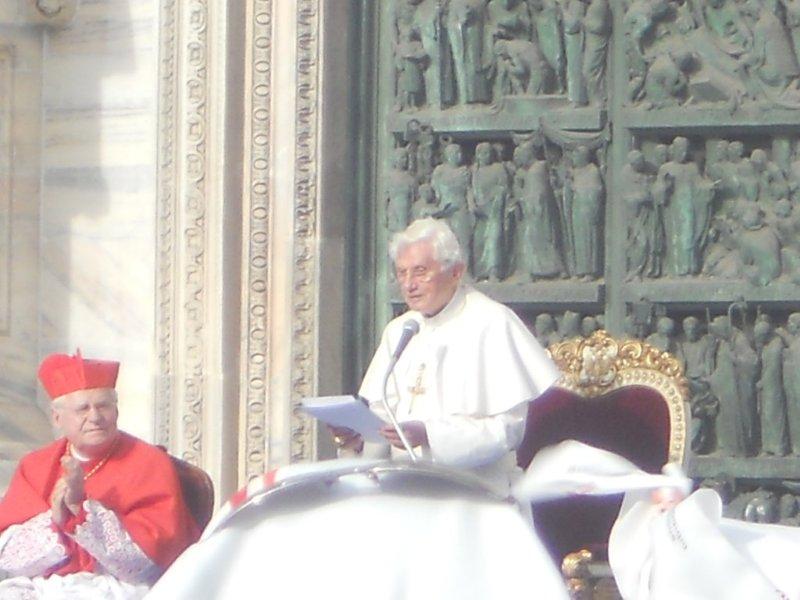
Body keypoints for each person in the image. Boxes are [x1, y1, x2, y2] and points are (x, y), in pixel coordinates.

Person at [334, 218, 560, 496]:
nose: (409, 284)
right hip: (401, 489)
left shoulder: (492, 323)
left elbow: (508, 431)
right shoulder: (400, 330)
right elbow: (382, 419)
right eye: (402, 273)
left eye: (420, 272)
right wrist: (357, 441)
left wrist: (430, 435)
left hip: (474, 491)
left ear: (455, 272)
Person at [0, 351, 200, 599]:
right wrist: (57, 519)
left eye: (103, 405)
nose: (95, 417)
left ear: (116, 411)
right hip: (44, 586)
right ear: (57, 418)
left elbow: (148, 562)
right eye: (82, 408)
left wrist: (83, 512)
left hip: (119, 587)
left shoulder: (150, 463)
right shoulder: (35, 466)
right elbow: (8, 559)